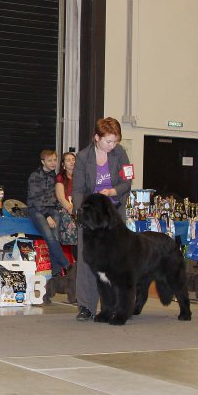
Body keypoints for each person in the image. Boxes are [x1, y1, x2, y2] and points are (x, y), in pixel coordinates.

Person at [72, 117, 132, 321]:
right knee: (87, 260)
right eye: (108, 141)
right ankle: (86, 306)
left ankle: (116, 306)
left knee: (116, 262)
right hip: (91, 216)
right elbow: (78, 190)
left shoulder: (120, 154)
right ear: (96, 138)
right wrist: (82, 212)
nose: (112, 145)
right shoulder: (82, 157)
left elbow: (127, 182)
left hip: (113, 215)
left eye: (115, 141)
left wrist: (113, 190)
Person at [26, 150, 72, 279]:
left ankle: (56, 273)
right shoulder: (35, 176)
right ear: (43, 162)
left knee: (55, 239)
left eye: (55, 160)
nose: (53, 163)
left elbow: (57, 196)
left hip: (53, 209)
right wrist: (47, 216)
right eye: (50, 160)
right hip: (37, 209)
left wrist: (57, 209)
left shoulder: (55, 176)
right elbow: (36, 199)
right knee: (50, 238)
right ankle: (67, 265)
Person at [55, 152, 78, 246]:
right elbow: (60, 198)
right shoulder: (60, 177)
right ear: (63, 164)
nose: (71, 162)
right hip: (65, 207)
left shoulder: (80, 176)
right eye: (68, 160)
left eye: (73, 159)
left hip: (78, 206)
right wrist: (71, 209)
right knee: (69, 221)